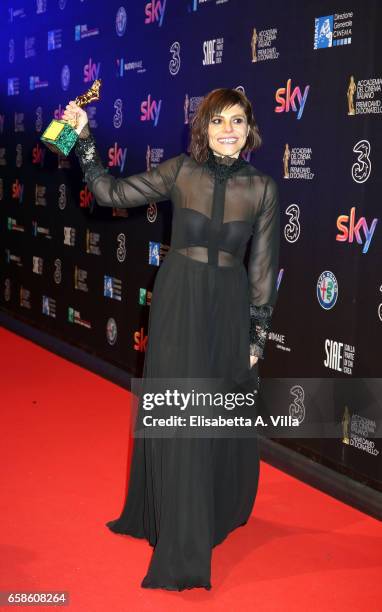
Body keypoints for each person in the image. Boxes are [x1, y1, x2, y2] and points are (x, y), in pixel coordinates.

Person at [63, 87, 280, 591]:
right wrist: (82, 140)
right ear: (203, 127)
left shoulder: (264, 188)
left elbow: (264, 270)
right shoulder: (182, 171)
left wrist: (256, 337)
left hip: (227, 306)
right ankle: (181, 542)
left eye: (239, 122)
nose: (229, 130)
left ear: (250, 130)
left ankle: (216, 510)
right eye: (219, 121)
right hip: (179, 300)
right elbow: (111, 193)